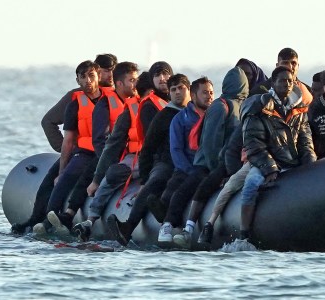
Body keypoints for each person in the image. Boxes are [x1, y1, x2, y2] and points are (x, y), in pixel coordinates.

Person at [107, 74, 191, 245]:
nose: (176, 93)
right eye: (173, 89)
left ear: (189, 90)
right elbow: (148, 148)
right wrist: (144, 178)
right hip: (166, 162)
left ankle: (165, 210)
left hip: (190, 161)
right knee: (157, 180)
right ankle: (128, 227)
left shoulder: (198, 112)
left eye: (181, 88)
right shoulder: (164, 115)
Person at [172, 67, 249, 248]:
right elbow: (211, 142)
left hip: (232, 161)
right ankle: (188, 228)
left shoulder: (243, 106)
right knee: (204, 185)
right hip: (211, 162)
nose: (208, 96)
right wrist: (217, 168)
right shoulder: (220, 106)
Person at [238, 66, 316, 243]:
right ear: (273, 83)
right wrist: (270, 168)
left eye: (290, 81)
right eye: (282, 80)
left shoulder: (299, 109)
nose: (287, 84)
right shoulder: (259, 108)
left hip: (292, 160)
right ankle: (244, 233)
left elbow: (305, 139)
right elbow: (254, 143)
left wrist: (310, 164)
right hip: (267, 162)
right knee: (251, 184)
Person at [32, 60, 105, 235]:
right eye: (83, 77)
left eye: (91, 76)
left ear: (98, 77)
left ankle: (70, 215)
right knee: (66, 177)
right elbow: (69, 139)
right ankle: (48, 220)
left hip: (108, 152)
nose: (88, 80)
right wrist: (62, 170)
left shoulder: (112, 99)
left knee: (86, 178)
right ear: (78, 80)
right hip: (85, 152)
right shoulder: (75, 103)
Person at [69, 62, 141, 240]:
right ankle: (82, 217)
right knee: (103, 173)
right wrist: (97, 178)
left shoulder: (165, 106)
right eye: (131, 80)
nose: (135, 85)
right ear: (119, 83)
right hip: (126, 157)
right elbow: (107, 143)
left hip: (159, 159)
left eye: (137, 81)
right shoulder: (115, 106)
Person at [156, 77, 215, 243]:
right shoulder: (180, 119)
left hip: (206, 167)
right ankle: (166, 224)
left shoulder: (216, 116)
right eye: (204, 93)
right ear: (194, 95)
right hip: (186, 167)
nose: (209, 96)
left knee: (190, 185)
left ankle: (170, 220)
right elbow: (176, 150)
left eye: (211, 92)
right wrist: (188, 170)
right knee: (174, 187)